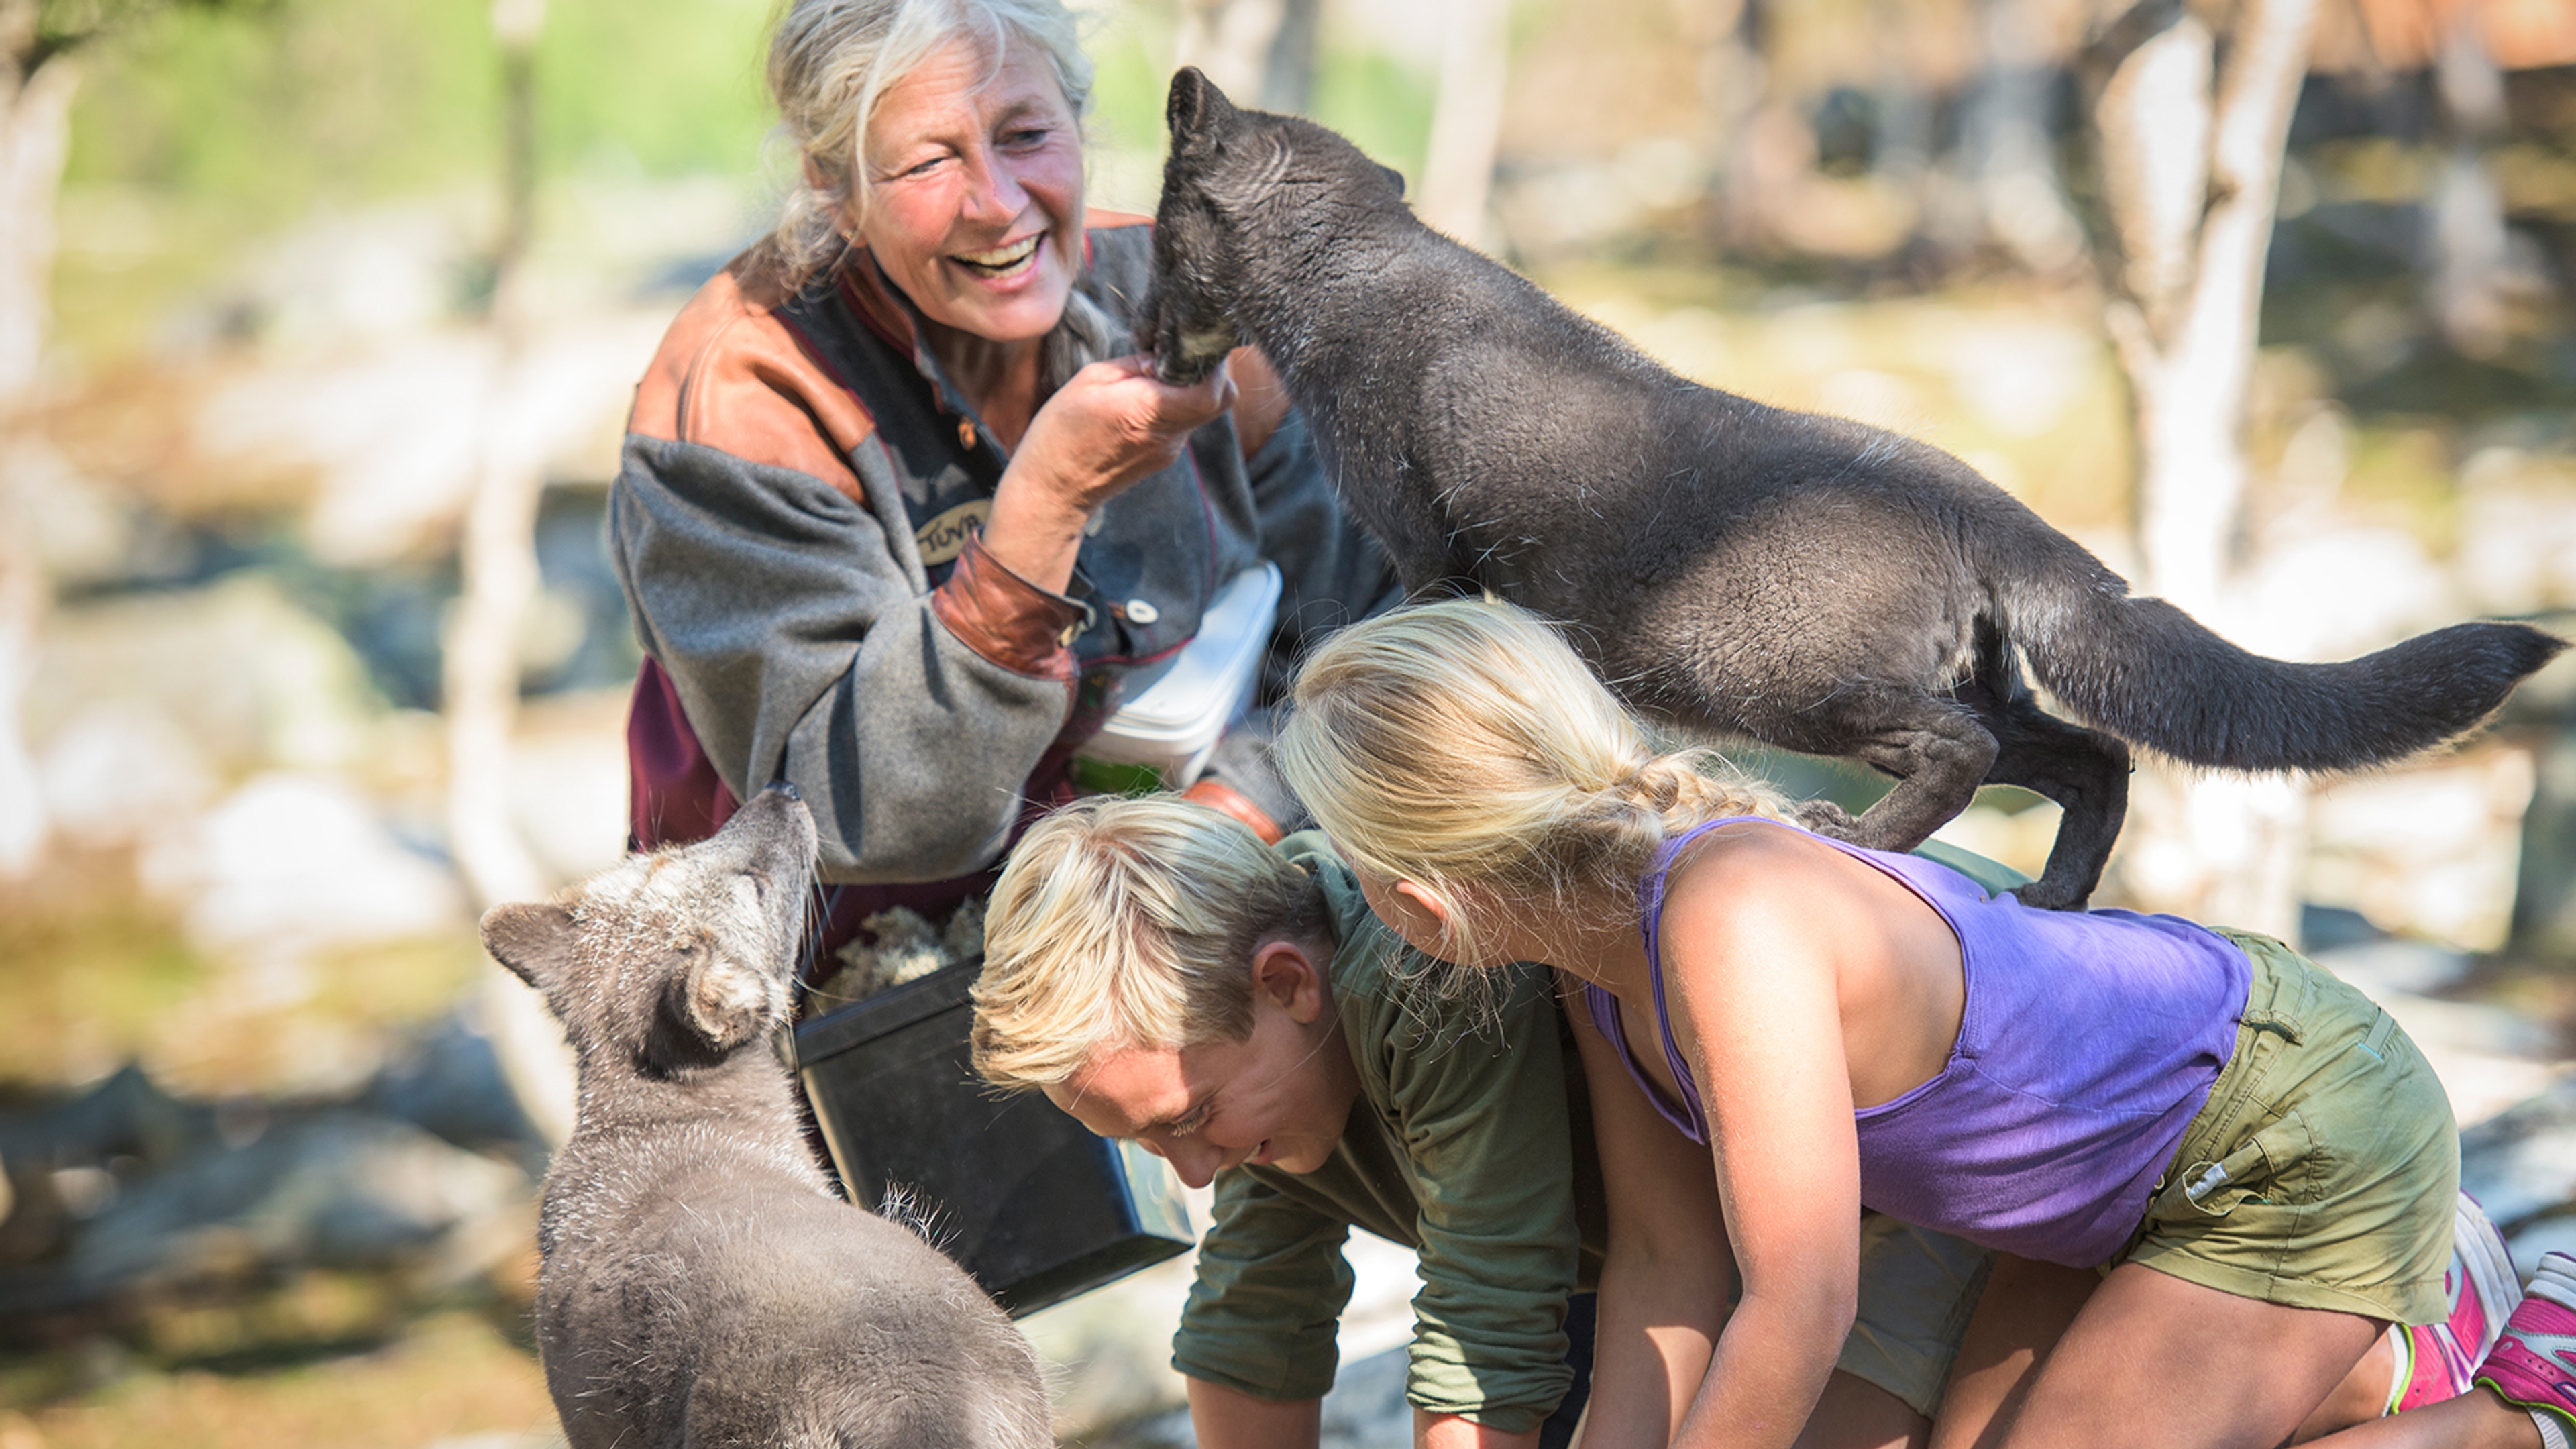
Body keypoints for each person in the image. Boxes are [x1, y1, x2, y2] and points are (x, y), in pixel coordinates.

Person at [1267, 597, 2527, 1449]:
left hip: (2285, 1129)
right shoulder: (1597, 966)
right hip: (2098, 1196)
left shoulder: (1728, 911)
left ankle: (2521, 1412)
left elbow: (1799, 1302)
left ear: (1419, 895)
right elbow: (1670, 1273)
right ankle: (2342, 1361)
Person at [608, 0, 1398, 967]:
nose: (996, 202)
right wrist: (1049, 505)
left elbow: (1370, 645)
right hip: (836, 976)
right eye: (927, 163)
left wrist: (1217, 825)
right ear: (836, 188)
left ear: (1078, 123)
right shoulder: (746, 396)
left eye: (1026, 135)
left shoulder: (1193, 297)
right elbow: (854, 814)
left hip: (1174, 905)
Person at [970, 795, 2039, 1449]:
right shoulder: (1254, 1061)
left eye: (1189, 1120)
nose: (1193, 1174)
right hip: (1691, 1269)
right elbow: (1253, 1315)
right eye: (1151, 1143)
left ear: (1289, 981)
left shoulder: (1414, 961)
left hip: (1923, 1154)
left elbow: (1489, 1303)